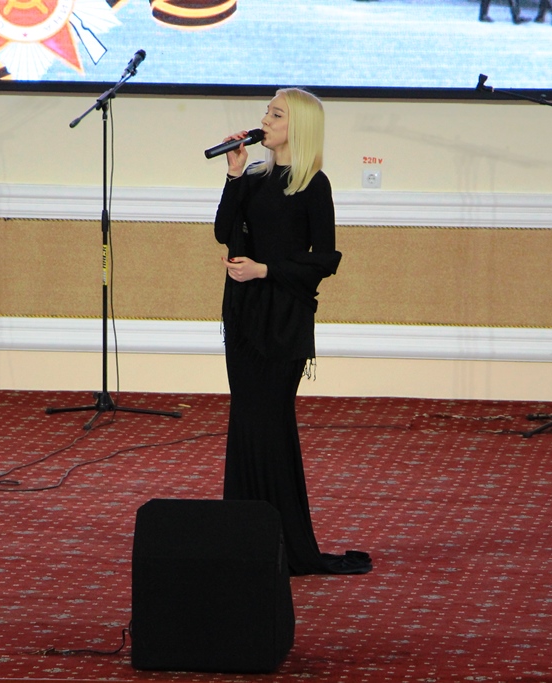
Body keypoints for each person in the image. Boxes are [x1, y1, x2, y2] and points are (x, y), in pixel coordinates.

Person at [213, 88, 372, 576]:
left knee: (270, 424)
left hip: (283, 316)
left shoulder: (314, 185)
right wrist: (234, 175)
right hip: (243, 313)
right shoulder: (253, 178)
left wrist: (265, 270)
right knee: (246, 424)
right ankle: (244, 539)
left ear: (297, 127)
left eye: (276, 114)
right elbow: (224, 232)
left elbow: (325, 259)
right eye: (267, 111)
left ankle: (286, 543)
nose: (264, 119)